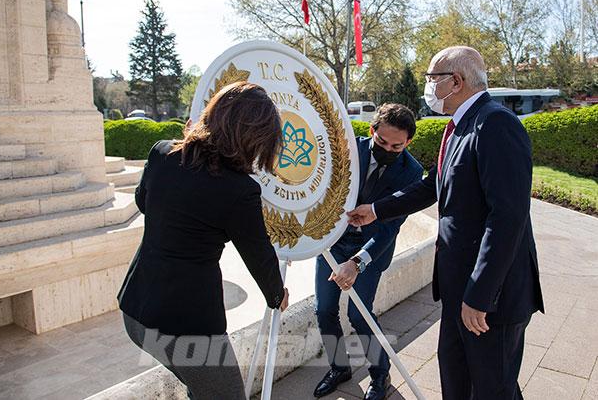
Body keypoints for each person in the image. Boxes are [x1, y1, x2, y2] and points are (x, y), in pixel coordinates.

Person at [347, 46, 544, 400]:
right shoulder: (458, 126)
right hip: (458, 290)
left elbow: (507, 217)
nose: (427, 86)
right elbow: (432, 186)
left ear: (455, 81)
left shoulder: (496, 124)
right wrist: (376, 209)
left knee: (493, 390)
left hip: (490, 299)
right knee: (456, 380)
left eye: (431, 78)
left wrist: (480, 294)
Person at [117, 81, 290, 400]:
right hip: (186, 327)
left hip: (135, 310)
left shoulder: (162, 152)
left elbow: (144, 203)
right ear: (254, 139)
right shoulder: (239, 190)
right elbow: (258, 254)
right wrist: (276, 294)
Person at [313, 104, 423, 400]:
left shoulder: (412, 172)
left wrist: (357, 262)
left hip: (372, 250)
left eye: (396, 147)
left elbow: (391, 227)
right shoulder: (348, 151)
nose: (387, 149)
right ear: (372, 130)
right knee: (324, 310)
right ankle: (339, 368)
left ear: (408, 142)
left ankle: (380, 376)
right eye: (381, 141)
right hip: (333, 243)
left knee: (359, 315)